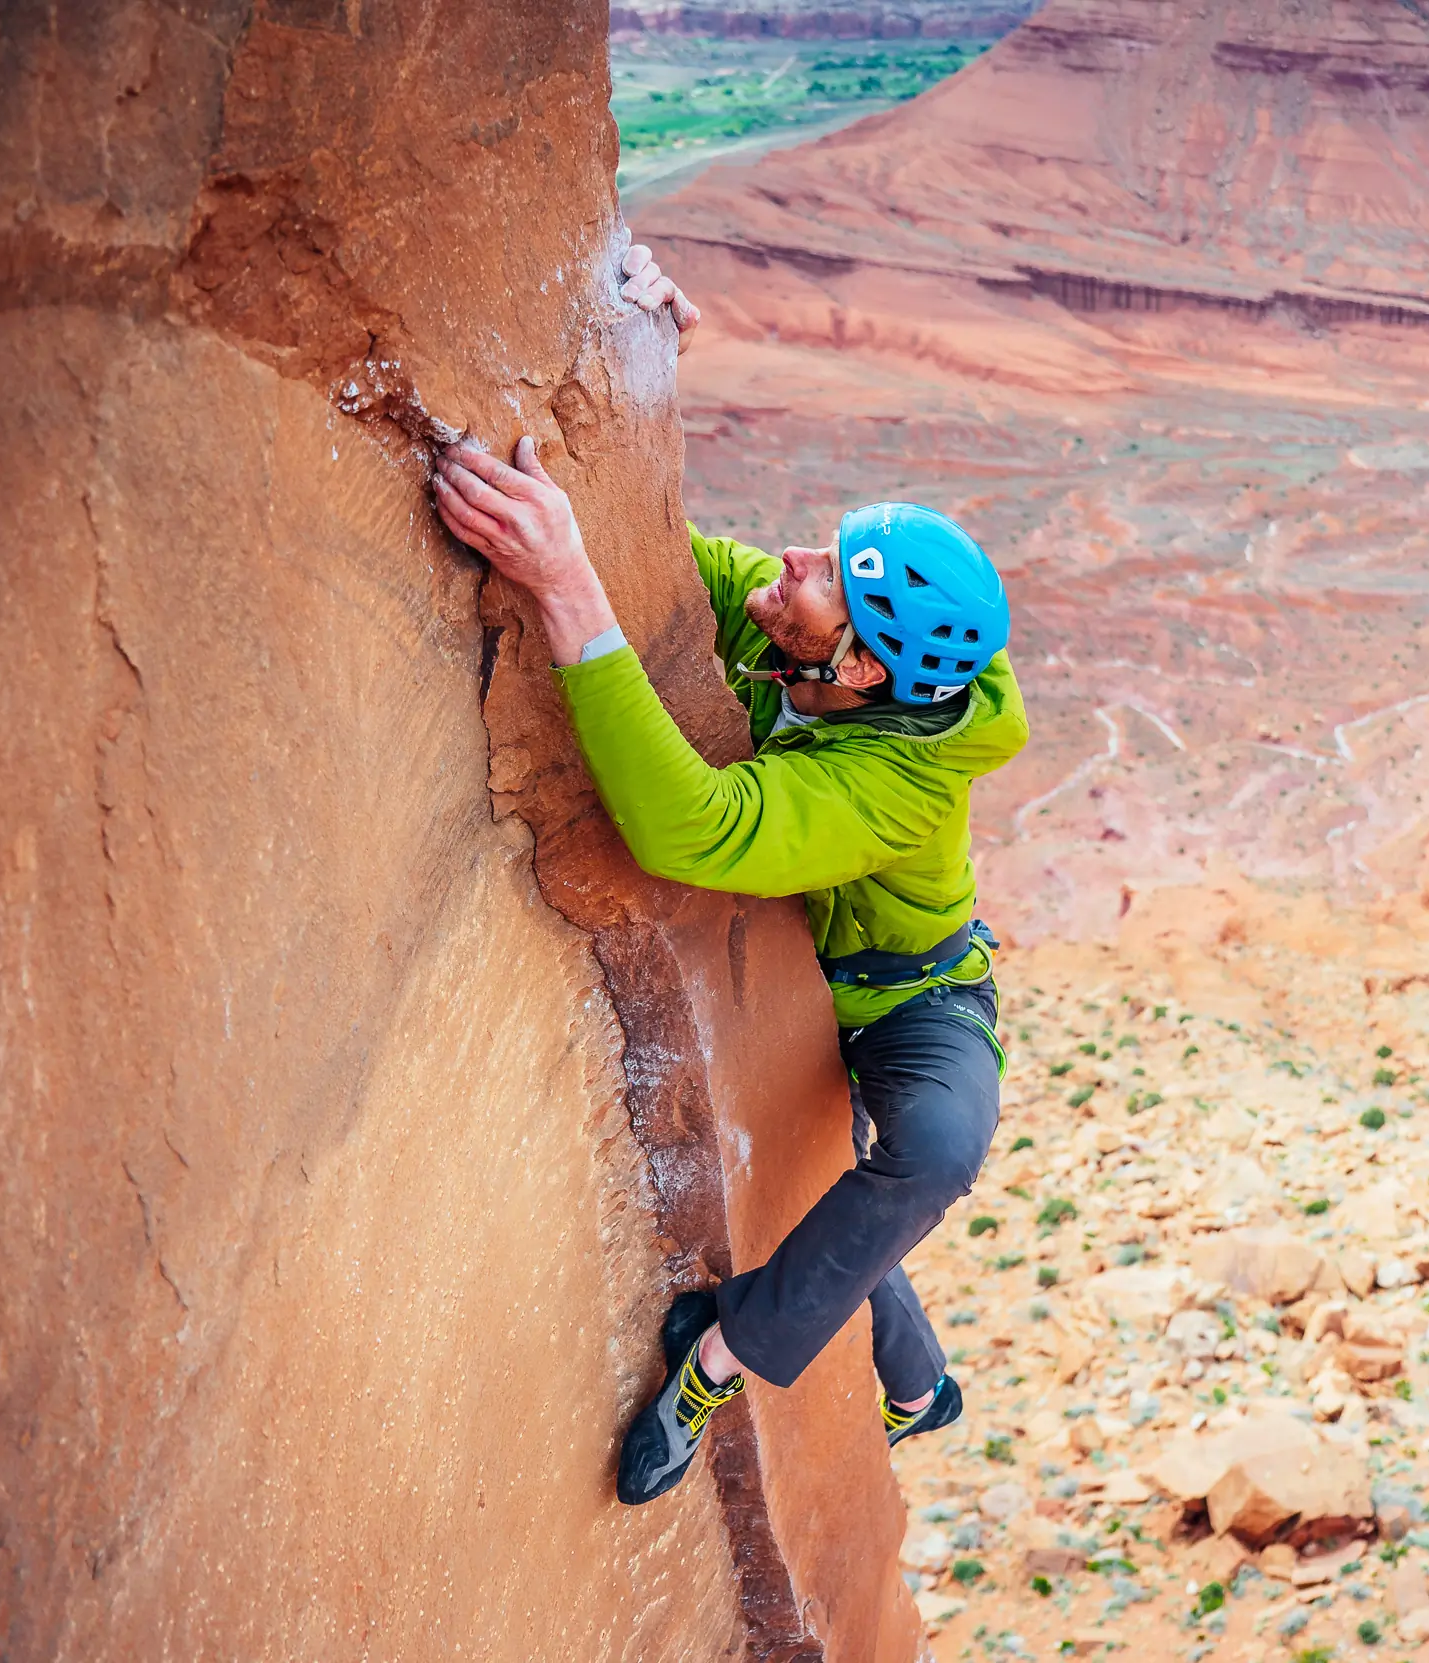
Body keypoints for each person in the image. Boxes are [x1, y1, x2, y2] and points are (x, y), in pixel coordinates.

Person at [429, 245, 1029, 1506]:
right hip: (819, 970)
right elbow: (674, 555)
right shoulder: (820, 638)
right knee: (832, 1170)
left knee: (928, 1149)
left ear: (864, 673)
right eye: (822, 549)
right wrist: (643, 365)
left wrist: (562, 586)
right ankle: (920, 1386)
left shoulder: (897, 776)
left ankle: (715, 1363)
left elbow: (691, 829)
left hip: (915, 1001)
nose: (792, 564)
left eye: (824, 579)